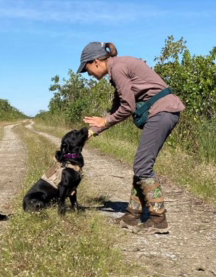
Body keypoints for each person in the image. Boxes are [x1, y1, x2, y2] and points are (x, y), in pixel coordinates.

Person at [78, 42, 184, 234]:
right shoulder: (117, 68)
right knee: (141, 165)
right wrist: (91, 131)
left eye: (87, 70)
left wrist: (105, 122)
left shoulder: (118, 68)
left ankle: (158, 219)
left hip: (162, 112)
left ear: (95, 62)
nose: (90, 75)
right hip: (163, 112)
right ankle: (132, 216)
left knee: (142, 166)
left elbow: (128, 107)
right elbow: (117, 107)